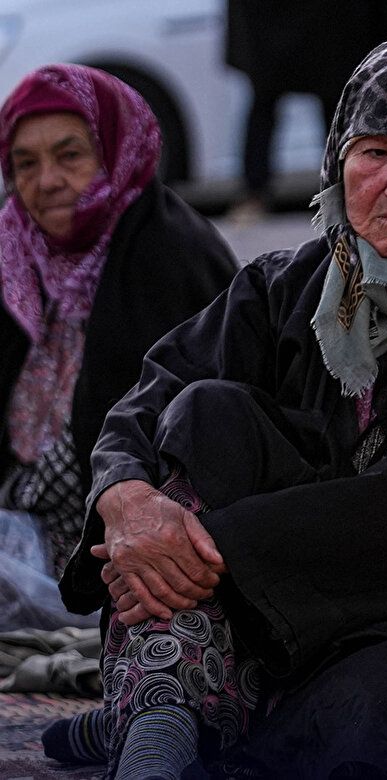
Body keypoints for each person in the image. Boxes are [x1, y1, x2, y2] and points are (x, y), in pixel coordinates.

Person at [45, 36, 387, 778]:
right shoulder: (287, 286)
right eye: (374, 152)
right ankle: (171, 710)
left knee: (384, 706)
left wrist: (202, 554)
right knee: (208, 410)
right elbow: (156, 394)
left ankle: (167, 711)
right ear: (338, 157)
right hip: (270, 607)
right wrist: (127, 500)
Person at [0, 64, 239, 632]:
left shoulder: (172, 255)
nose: (47, 181)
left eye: (71, 156)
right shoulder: (14, 250)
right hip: (17, 525)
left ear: (116, 152)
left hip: (117, 549)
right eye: (25, 164)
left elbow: (205, 429)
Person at [225, 0, 387, 220]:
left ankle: (343, 189)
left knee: (335, 100)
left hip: (331, 19)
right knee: (266, 98)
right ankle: (254, 191)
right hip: (272, 19)